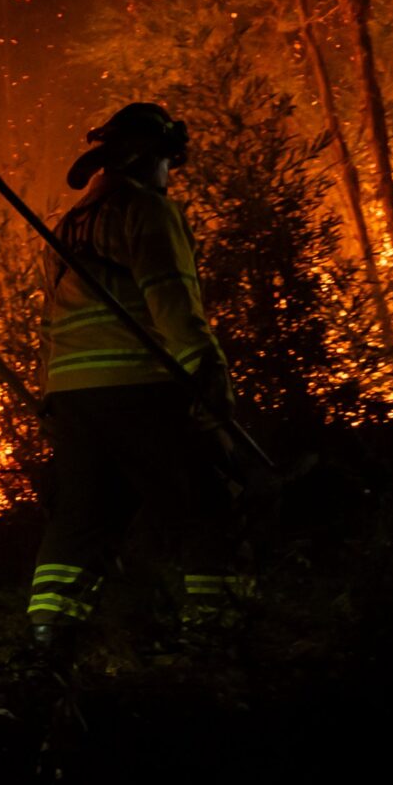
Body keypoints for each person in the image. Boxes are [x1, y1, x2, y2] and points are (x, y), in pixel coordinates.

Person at [23, 103, 249, 650]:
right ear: (150, 157)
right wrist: (207, 368)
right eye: (170, 164)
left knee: (84, 517)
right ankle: (219, 632)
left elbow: (51, 320)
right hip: (139, 383)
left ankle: (48, 636)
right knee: (208, 499)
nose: (170, 177)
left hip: (74, 397)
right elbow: (170, 295)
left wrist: (48, 394)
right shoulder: (147, 210)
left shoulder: (67, 225)